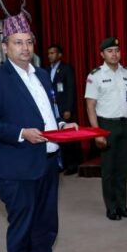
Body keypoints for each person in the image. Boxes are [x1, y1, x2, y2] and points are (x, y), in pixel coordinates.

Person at [0, 14, 79, 252]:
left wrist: (61, 126)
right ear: (4, 46)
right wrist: (21, 133)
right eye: (18, 42)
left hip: (47, 163)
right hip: (17, 167)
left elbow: (49, 115)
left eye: (29, 42)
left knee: (46, 226)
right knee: (22, 228)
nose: (25, 48)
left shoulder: (43, 75)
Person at [85, 37, 127, 221]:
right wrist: (97, 133)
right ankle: (111, 208)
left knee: (123, 168)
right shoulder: (95, 75)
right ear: (102, 54)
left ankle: (122, 206)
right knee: (109, 169)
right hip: (106, 125)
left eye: (117, 50)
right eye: (110, 51)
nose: (114, 54)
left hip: (126, 124)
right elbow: (90, 106)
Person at [46, 44, 81, 175]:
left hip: (64, 108)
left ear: (59, 55)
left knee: (68, 137)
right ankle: (61, 164)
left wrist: (68, 109)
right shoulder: (45, 70)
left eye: (53, 53)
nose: (50, 56)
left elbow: (71, 89)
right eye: (49, 53)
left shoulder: (66, 69)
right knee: (56, 136)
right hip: (52, 109)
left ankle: (72, 165)